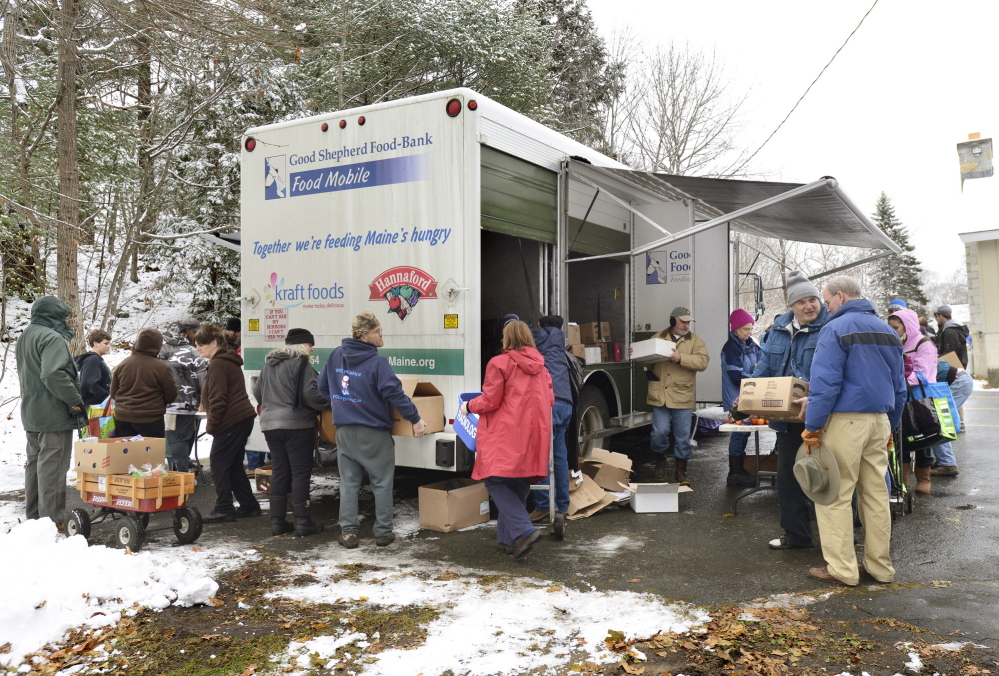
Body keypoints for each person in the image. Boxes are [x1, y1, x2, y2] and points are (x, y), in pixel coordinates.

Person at [803, 275, 906, 586]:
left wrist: (812, 426)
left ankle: (842, 569)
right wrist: (891, 425)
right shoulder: (889, 331)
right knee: (875, 494)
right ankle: (879, 567)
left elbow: (825, 384)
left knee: (833, 493)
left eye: (827, 300)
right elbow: (899, 388)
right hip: (879, 420)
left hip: (845, 421)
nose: (826, 306)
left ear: (841, 297)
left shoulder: (834, 328)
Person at [319, 311, 426, 549]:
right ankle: (383, 533)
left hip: (344, 431)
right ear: (364, 336)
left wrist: (342, 404)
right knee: (382, 483)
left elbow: (323, 387)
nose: (381, 334)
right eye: (377, 331)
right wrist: (415, 419)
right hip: (374, 433)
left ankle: (348, 533)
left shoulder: (336, 355)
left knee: (348, 483)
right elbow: (394, 394)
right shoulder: (377, 362)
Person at [751, 271, 830, 550]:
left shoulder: (830, 326)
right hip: (787, 420)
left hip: (822, 416)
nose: (809, 306)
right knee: (789, 478)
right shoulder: (778, 329)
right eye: (802, 302)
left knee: (832, 476)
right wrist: (749, 396)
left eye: (813, 300)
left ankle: (842, 536)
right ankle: (797, 536)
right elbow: (764, 367)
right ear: (791, 306)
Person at [461, 320, 553, 559]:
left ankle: (523, 531)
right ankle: (508, 539)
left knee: (494, 480)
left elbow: (490, 399)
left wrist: (468, 406)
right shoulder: (542, 367)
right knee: (518, 482)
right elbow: (550, 399)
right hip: (534, 435)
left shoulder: (499, 363)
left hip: (506, 433)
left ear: (507, 338)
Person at [254, 328, 329, 537]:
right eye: (309, 344)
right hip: (297, 425)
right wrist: (327, 403)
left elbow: (258, 392)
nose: (312, 348)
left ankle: (278, 522)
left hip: (270, 426)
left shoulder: (269, 363)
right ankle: (303, 522)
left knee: (279, 472)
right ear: (300, 345)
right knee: (300, 473)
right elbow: (311, 393)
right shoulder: (302, 363)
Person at [16, 296, 85, 525]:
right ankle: (51, 521)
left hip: (32, 411)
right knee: (53, 468)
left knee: (36, 465)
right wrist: (75, 402)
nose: (65, 321)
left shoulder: (26, 335)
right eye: (62, 316)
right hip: (53, 412)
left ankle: (35, 520)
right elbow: (52, 374)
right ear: (53, 316)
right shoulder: (51, 337)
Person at [636, 307, 709, 484]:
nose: (686, 325)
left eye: (688, 322)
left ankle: (681, 471)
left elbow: (703, 362)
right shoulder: (657, 337)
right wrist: (637, 356)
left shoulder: (696, 341)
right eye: (682, 321)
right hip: (660, 394)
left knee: (682, 437)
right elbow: (648, 361)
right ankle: (660, 462)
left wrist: (681, 357)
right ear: (672, 321)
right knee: (659, 433)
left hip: (682, 395)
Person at [196, 323, 260, 523]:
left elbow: (217, 399)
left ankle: (224, 507)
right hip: (241, 418)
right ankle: (248, 505)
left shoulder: (218, 364)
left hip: (231, 421)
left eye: (201, 344)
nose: (197, 348)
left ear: (214, 343)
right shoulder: (226, 361)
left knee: (219, 464)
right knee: (232, 465)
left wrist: (212, 426)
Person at [887, 308, 938, 494]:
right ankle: (902, 481)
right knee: (902, 440)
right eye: (890, 327)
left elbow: (922, 373)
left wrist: (897, 383)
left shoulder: (924, 343)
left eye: (896, 327)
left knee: (923, 438)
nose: (893, 331)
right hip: (901, 397)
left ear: (907, 326)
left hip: (920, 397)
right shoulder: (895, 343)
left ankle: (924, 479)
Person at [529, 315, 573, 522]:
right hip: (566, 404)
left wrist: (512, 320)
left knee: (542, 456)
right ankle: (562, 505)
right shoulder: (559, 340)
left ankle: (545, 505)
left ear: (541, 326)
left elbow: (520, 333)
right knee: (559, 456)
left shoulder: (543, 337)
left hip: (550, 403)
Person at [158, 318, 207, 473]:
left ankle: (177, 472)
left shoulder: (158, 349)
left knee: (173, 439)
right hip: (188, 403)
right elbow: (203, 377)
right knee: (184, 439)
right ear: (185, 333)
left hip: (164, 404)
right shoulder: (193, 352)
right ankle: (181, 474)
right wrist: (204, 399)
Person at [109, 329, 178, 438]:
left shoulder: (123, 364)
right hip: (151, 419)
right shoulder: (161, 368)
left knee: (126, 452)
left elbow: (113, 393)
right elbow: (171, 395)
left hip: (123, 418)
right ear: (158, 345)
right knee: (151, 453)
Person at [721, 309, 761, 487]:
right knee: (739, 434)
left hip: (749, 395)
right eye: (745, 329)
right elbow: (735, 375)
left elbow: (762, 362)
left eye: (750, 329)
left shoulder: (751, 344)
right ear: (736, 329)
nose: (749, 332)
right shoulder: (731, 348)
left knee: (744, 434)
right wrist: (758, 381)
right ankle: (735, 473)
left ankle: (740, 471)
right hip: (736, 397)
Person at [930, 358, 974, 477]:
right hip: (961, 379)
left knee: (938, 422)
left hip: (959, 383)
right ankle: (944, 461)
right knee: (938, 420)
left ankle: (947, 464)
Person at [74, 329, 112, 407]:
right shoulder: (93, 360)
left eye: (109, 343)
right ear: (95, 343)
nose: (109, 346)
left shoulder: (95, 359)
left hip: (95, 404)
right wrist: (107, 397)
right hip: (93, 406)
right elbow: (88, 382)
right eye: (106, 343)